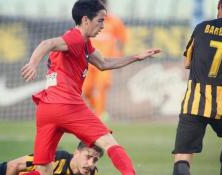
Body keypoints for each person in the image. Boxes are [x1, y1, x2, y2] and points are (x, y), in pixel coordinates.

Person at [20, 0, 160, 175]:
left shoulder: (84, 43)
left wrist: (136, 57)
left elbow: (103, 63)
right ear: (86, 20)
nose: (103, 25)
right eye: (100, 20)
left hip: (47, 109)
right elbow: (46, 44)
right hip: (67, 105)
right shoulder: (75, 38)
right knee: (110, 144)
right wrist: (32, 64)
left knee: (43, 170)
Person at [172, 0, 222, 175]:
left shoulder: (201, 28)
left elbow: (187, 63)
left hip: (194, 102)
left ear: (219, 5)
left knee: (182, 158)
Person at [83, 0, 127, 120]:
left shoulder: (114, 22)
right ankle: (95, 109)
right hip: (88, 62)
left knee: (100, 87)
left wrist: (119, 57)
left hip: (104, 63)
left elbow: (122, 40)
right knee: (85, 90)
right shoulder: (88, 20)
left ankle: (100, 115)